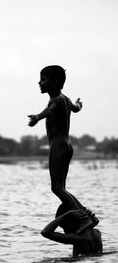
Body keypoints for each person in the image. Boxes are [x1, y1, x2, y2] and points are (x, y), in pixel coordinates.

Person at [28, 65, 99, 233]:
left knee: (57, 188)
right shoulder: (66, 99)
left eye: (43, 79)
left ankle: (84, 220)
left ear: (55, 82)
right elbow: (76, 108)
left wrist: (37, 117)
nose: (39, 83)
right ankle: (88, 217)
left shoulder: (56, 99)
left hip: (58, 147)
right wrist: (79, 104)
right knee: (61, 188)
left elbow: (50, 109)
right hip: (66, 146)